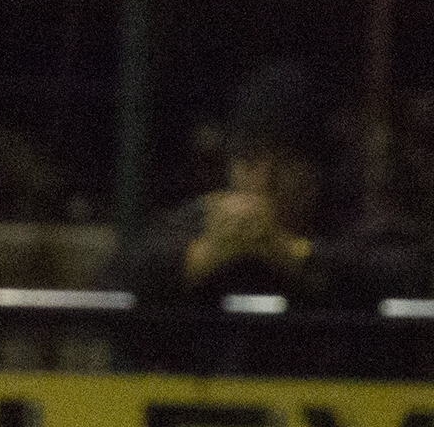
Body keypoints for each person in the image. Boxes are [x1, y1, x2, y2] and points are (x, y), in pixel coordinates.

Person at [104, 59, 432, 376]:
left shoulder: (354, 219)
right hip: (214, 419)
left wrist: (290, 253)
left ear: (318, 169)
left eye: (285, 159)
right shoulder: (207, 221)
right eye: (249, 159)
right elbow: (115, 287)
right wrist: (201, 258)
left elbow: (409, 279)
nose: (264, 179)